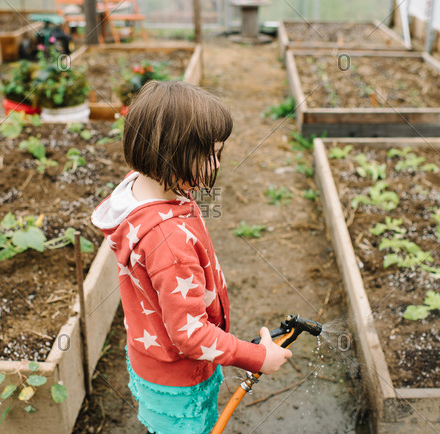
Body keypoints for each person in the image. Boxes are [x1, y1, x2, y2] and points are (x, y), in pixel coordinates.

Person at [91, 80, 292, 433]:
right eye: (211, 154)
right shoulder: (168, 242)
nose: (216, 164)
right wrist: (258, 356)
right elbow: (189, 333)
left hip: (151, 356)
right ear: (173, 154)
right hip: (180, 378)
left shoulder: (140, 189)